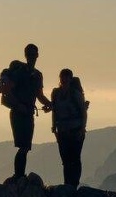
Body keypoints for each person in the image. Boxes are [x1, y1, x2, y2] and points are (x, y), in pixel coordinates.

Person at [5, 43, 52, 183]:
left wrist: (50, 104)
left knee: (25, 146)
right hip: (19, 113)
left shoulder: (37, 75)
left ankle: (19, 175)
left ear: (37, 55)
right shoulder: (21, 73)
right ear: (26, 55)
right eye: (30, 54)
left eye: (34, 54)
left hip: (28, 113)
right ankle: (19, 176)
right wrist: (19, 105)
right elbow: (8, 89)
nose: (32, 57)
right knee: (24, 146)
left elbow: (39, 95)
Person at [49, 68, 88, 187]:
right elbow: (54, 111)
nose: (64, 79)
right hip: (62, 131)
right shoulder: (56, 93)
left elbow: (83, 112)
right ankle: (68, 184)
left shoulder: (75, 94)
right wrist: (53, 126)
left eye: (66, 77)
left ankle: (73, 184)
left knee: (74, 158)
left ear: (70, 79)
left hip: (76, 131)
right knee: (66, 160)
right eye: (62, 77)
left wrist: (82, 128)